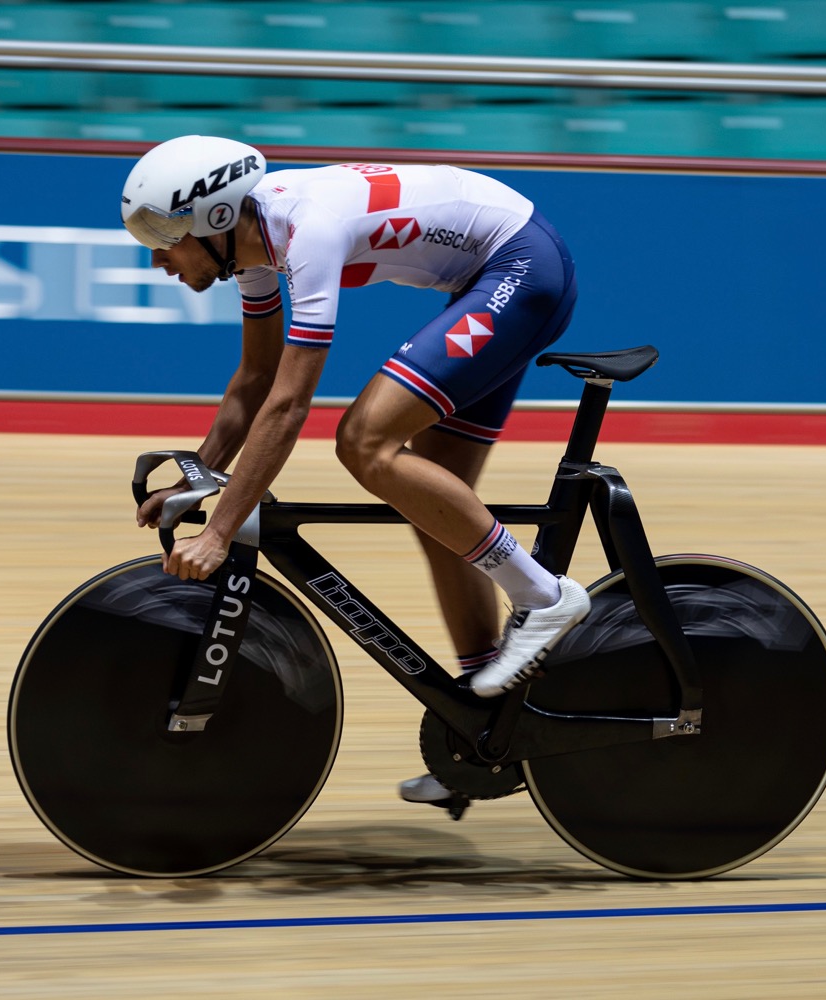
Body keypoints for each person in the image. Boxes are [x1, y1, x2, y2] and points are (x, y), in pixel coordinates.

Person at [123, 135, 588, 807]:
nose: (159, 260)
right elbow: (254, 379)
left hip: (522, 266)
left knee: (363, 442)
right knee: (434, 502)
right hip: (492, 275)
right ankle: (486, 724)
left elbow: (288, 404)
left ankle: (545, 597)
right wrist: (200, 473)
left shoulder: (306, 231)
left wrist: (219, 533)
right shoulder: (252, 248)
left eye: (166, 241)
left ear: (216, 222)